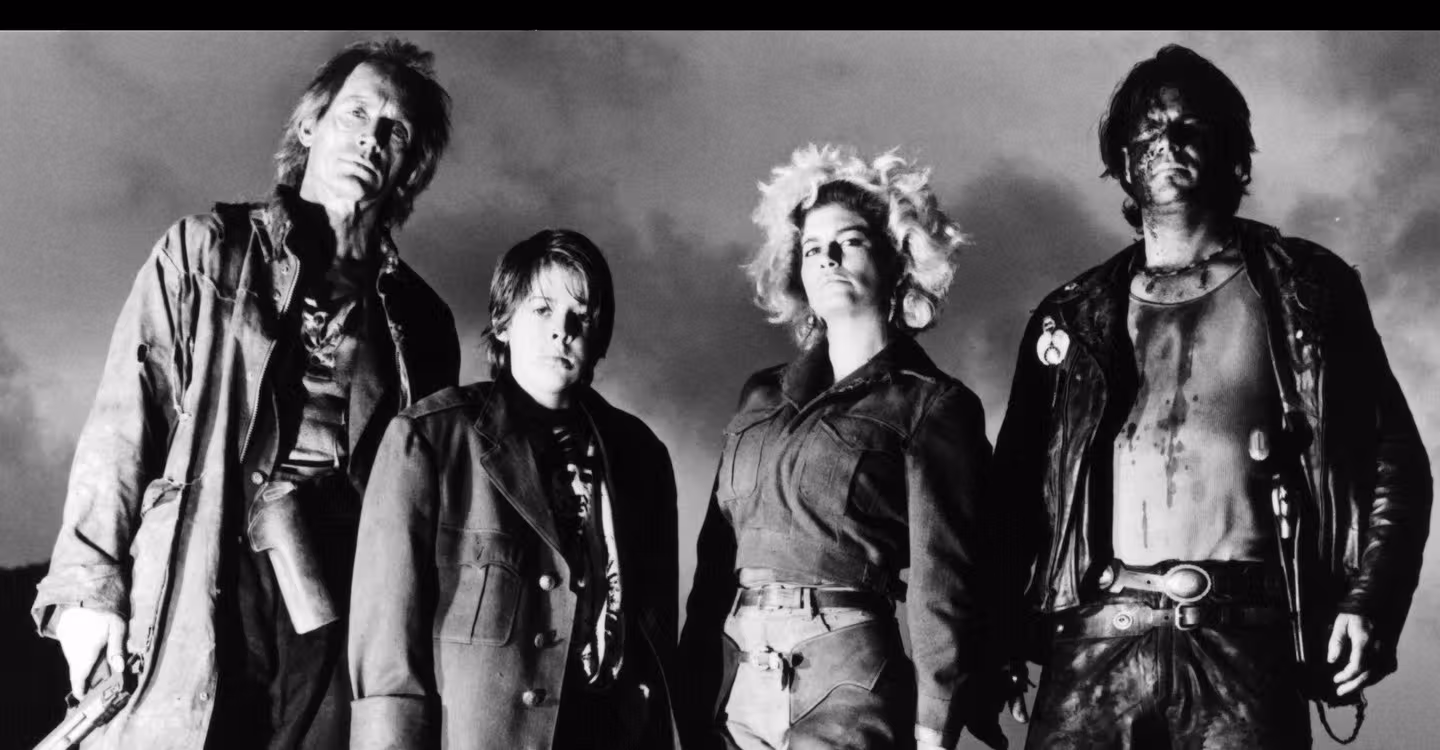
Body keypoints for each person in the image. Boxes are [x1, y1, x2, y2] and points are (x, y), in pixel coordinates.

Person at [993, 45, 1433, 749]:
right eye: (1149, 129)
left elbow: (1391, 462)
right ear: (1124, 162)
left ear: (1232, 150)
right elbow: (1014, 493)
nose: (1168, 142)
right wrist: (998, 637)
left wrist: (1370, 601)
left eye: (1189, 126)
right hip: (1093, 643)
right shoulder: (1069, 318)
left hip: (1245, 643)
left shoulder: (1305, 289)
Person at [31, 39, 460, 750]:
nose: (370, 138)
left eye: (394, 130)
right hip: (205, 575)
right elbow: (123, 422)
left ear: (409, 166)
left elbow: (428, 506)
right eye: (355, 113)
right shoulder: (205, 252)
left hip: (340, 610)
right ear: (310, 126)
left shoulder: (421, 321)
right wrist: (86, 590)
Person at [678, 144, 1006, 750]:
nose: (827, 258)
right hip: (735, 675)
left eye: (849, 241)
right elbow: (714, 559)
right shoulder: (760, 396)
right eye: (811, 248)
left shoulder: (932, 404)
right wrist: (691, 691)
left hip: (846, 677)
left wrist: (934, 729)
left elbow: (944, 582)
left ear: (897, 259)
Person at [348, 229, 680, 750]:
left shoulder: (642, 457)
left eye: (581, 315)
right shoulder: (429, 438)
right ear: (503, 322)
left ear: (600, 337)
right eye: (542, 309)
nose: (562, 330)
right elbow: (385, 645)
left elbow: (655, 645)